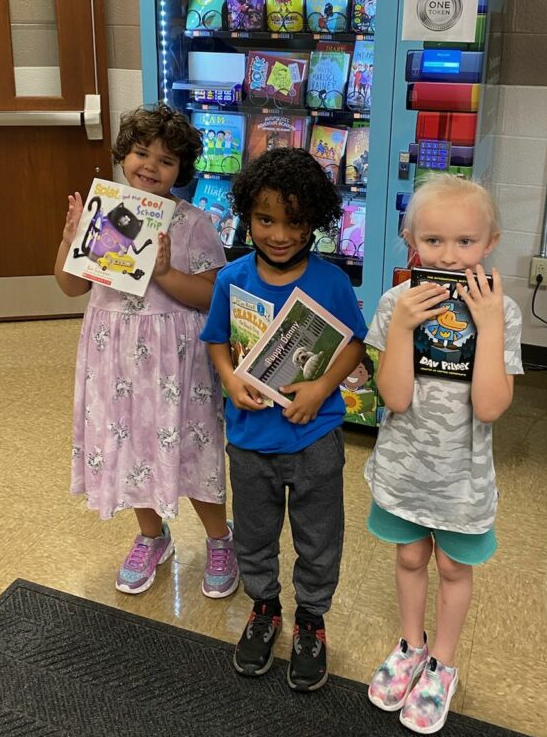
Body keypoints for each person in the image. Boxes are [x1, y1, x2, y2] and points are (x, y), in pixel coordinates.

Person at [54, 105, 239, 600]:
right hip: (114, 353)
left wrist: (165, 274)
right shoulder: (107, 215)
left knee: (193, 443)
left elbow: (213, 293)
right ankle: (152, 537)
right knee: (130, 439)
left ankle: (221, 540)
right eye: (141, 153)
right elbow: (70, 286)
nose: (151, 166)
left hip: (177, 358)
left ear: (183, 170)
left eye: (167, 160)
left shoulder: (194, 222)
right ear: (122, 155)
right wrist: (71, 240)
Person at [202, 148, 367, 692]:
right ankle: (265, 607)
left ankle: (312, 620)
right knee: (253, 534)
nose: (278, 234)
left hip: (315, 437)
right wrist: (229, 379)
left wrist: (322, 388)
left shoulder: (332, 281)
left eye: (294, 222)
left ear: (314, 222)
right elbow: (218, 343)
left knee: (319, 536)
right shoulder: (231, 279)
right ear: (246, 215)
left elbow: (353, 344)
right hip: (249, 440)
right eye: (265, 219)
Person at [364, 174, 522, 734]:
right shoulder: (393, 303)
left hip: (463, 477)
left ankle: (442, 664)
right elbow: (395, 397)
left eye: (465, 242)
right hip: (406, 468)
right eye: (432, 241)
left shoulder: (501, 313)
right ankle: (411, 645)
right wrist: (403, 326)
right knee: (409, 557)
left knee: (454, 566)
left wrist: (487, 325)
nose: (449, 257)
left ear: (491, 242)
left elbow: (491, 407)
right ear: (410, 239)